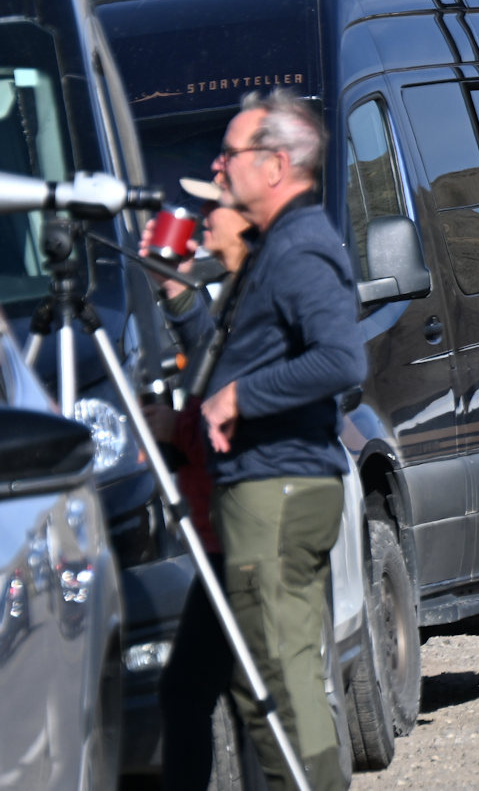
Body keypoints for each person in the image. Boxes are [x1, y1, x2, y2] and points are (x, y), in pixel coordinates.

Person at [174, 89, 366, 791]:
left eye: (232, 154)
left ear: (277, 164)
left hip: (278, 487)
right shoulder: (276, 249)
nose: (219, 167)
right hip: (266, 484)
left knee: (275, 680)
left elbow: (343, 361)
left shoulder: (299, 248)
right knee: (275, 674)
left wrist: (240, 396)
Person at [146, 194, 259, 790]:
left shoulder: (266, 293)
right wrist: (176, 287)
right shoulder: (239, 294)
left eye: (216, 207)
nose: (203, 217)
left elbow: (232, 403)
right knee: (228, 694)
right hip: (225, 532)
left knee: (216, 693)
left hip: (246, 529)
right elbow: (208, 356)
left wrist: (174, 428)